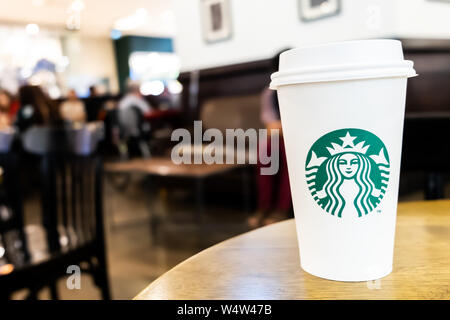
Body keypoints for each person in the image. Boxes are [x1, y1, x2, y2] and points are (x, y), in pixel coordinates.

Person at [248, 50, 293, 228]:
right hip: (277, 136)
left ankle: (282, 209)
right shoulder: (269, 93)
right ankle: (264, 207)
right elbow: (270, 126)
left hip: (295, 138)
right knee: (266, 148)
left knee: (288, 150)